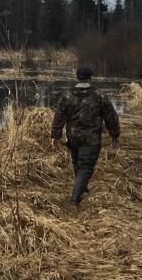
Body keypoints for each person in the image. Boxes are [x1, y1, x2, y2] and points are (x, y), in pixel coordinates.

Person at [50, 65, 120, 205]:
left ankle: (83, 187)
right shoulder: (100, 96)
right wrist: (115, 134)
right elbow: (111, 116)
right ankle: (75, 198)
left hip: (73, 137)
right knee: (86, 166)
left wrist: (55, 135)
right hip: (91, 139)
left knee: (78, 163)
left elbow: (59, 116)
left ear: (77, 77)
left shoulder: (67, 95)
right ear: (90, 78)